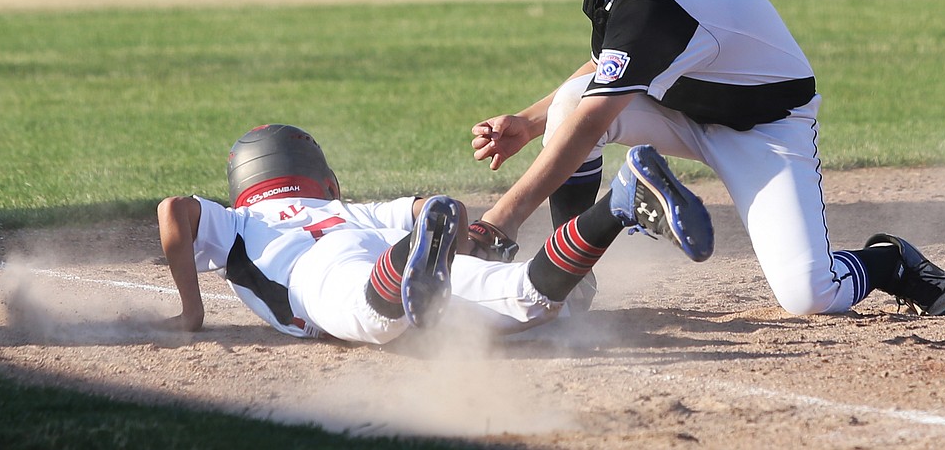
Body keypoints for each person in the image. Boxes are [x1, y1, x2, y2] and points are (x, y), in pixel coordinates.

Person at [468, 0, 945, 319]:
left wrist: (500, 221)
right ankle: (570, 275)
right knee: (567, 106)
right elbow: (606, 67)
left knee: (809, 295)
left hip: (765, 130)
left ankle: (889, 262)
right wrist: (530, 122)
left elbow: (595, 118)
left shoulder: (657, 1)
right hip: (680, 107)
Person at [155, 123, 714, 344]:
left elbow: (173, 209)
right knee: (532, 300)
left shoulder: (241, 221)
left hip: (323, 275)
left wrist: (192, 310)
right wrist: (461, 235)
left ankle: (412, 261)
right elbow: (430, 205)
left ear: (243, 187)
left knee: (378, 320)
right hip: (381, 247)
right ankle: (619, 203)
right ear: (328, 182)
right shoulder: (352, 209)